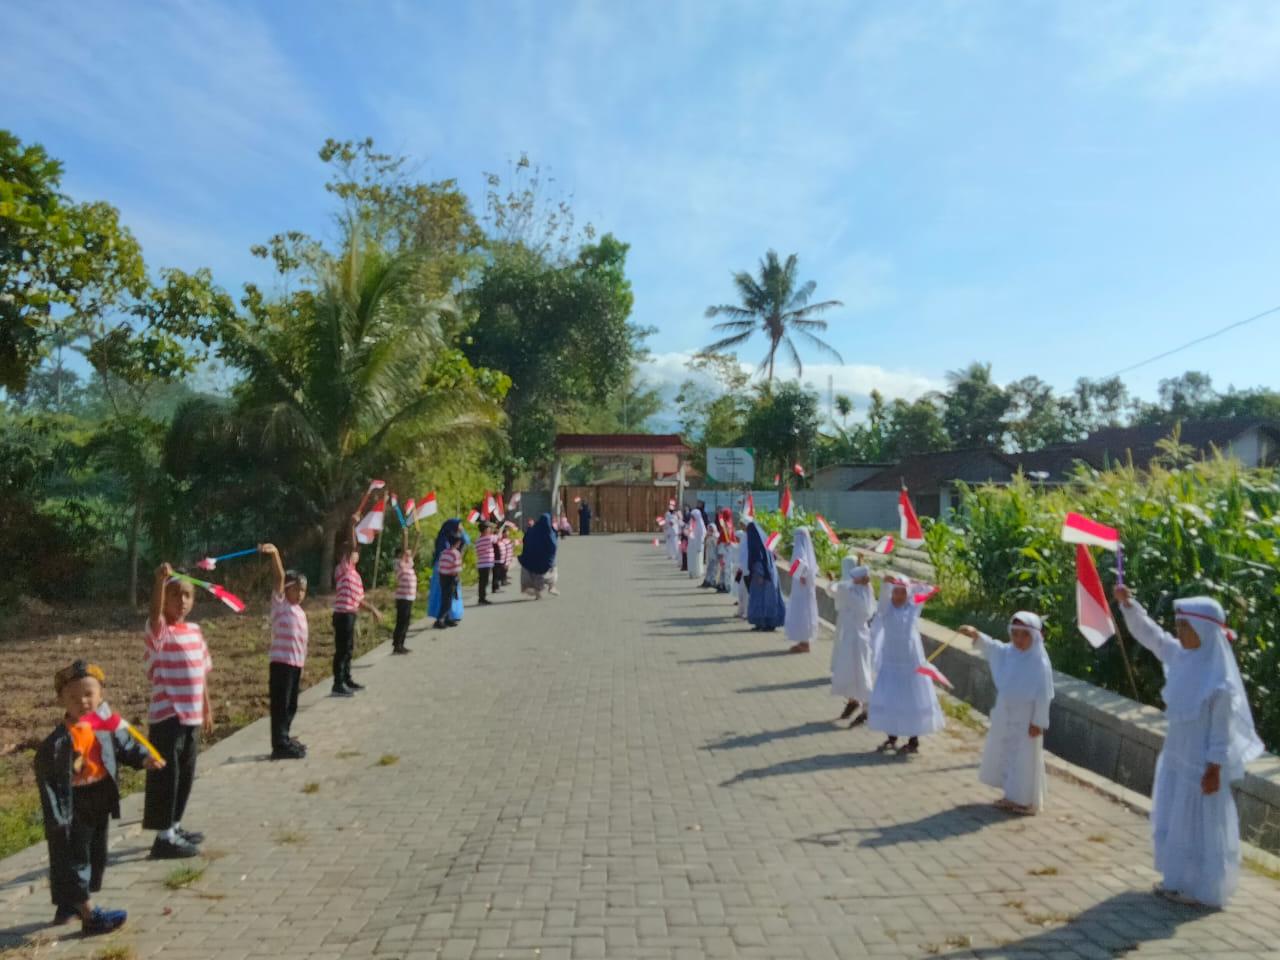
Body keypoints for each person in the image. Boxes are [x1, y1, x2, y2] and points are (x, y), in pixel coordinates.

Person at [1114, 587, 1265, 908]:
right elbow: (1151, 635)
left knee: (1198, 825)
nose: (1179, 632)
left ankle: (1200, 887)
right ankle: (1177, 879)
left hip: (1200, 766)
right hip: (1176, 757)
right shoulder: (1180, 656)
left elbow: (1221, 734)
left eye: (1185, 626)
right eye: (1179, 626)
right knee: (1176, 819)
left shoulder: (1219, 683)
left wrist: (1214, 768)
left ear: (1204, 630)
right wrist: (1129, 606)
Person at [35, 661, 164, 934]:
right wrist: (57, 817)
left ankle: (68, 906)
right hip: (74, 802)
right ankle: (89, 915)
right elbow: (49, 783)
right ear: (61, 700)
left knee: (95, 853)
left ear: (100, 694)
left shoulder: (104, 727)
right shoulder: (58, 742)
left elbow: (125, 746)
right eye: (73, 697)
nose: (82, 701)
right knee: (74, 855)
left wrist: (144, 759)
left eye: (88, 694)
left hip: (100, 796)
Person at [143, 563, 212, 858]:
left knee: (185, 774)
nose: (181, 601)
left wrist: (206, 707)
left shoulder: (194, 631)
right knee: (166, 777)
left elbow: (201, 672)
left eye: (187, 595)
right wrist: (160, 582)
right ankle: (163, 839)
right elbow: (153, 614)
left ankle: (174, 825)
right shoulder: (160, 631)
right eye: (174, 595)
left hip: (192, 716)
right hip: (168, 716)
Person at [958, 613, 1054, 814]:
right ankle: (1012, 795)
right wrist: (976, 635)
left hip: (1026, 718)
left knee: (1024, 757)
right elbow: (993, 647)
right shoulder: (1009, 652)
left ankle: (1024, 800)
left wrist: (1038, 721)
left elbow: (1044, 695)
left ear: (1034, 636)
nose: (1019, 639)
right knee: (1008, 754)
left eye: (1024, 635)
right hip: (1006, 714)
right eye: (1015, 634)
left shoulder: (1039, 663)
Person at [866, 578, 944, 755]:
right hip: (891, 662)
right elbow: (884, 596)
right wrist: (887, 583)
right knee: (891, 698)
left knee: (911, 699)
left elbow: (927, 590)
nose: (899, 596)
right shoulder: (886, 610)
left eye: (903, 592)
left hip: (910, 663)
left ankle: (913, 740)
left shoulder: (913, 608)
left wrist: (915, 582)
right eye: (896, 592)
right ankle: (892, 735)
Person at [261, 543, 309, 757]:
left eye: (303, 590)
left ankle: (285, 737)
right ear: (286, 589)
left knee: (291, 705)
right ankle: (278, 745)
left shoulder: (299, 612)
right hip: (281, 664)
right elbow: (279, 577)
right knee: (281, 705)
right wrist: (275, 554)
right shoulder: (280, 605)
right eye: (295, 589)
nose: (299, 594)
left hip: (296, 664)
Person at [332, 517, 383, 696]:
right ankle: (338, 683)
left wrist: (373, 610)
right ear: (345, 556)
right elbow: (352, 545)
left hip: (351, 614)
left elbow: (359, 600)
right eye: (353, 552)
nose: (357, 553)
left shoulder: (355, 576)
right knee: (342, 650)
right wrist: (352, 525)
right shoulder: (343, 569)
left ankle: (347, 678)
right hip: (342, 615)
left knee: (348, 649)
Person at [826, 557, 875, 725]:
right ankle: (853, 701)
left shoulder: (853, 593)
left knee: (861, 673)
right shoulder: (860, 590)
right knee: (851, 671)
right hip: (854, 636)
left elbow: (835, 589)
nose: (852, 579)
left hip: (857, 638)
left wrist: (833, 581)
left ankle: (867, 708)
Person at [745, 521, 786, 631]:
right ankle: (761, 623)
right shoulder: (763, 541)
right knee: (764, 599)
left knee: (764, 599)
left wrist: (759, 574)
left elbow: (758, 559)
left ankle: (768, 624)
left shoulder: (756, 545)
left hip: (762, 575)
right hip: (768, 573)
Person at [785, 527, 819, 653]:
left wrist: (801, 575)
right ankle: (804, 641)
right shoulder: (806, 549)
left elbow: (801, 563)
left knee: (801, 611)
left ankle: (804, 643)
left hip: (801, 586)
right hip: (804, 586)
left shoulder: (799, 548)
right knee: (805, 611)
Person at [428, 519, 467, 626]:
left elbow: (466, 541)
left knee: (450, 596)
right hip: (445, 572)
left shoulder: (453, 538)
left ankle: (449, 616)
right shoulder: (444, 540)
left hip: (446, 571)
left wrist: (462, 532)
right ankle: (441, 618)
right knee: (445, 596)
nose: (461, 527)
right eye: (459, 525)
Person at [519, 512, 559, 598]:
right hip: (544, 562)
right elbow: (553, 546)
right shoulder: (549, 532)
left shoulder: (531, 531)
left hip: (530, 560)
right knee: (552, 568)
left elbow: (525, 541)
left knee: (528, 571)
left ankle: (531, 589)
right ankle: (551, 586)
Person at [392, 531, 417, 653]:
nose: (409, 555)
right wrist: (405, 535)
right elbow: (404, 549)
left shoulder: (409, 565)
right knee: (401, 621)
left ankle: (401, 643)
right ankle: (397, 644)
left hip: (409, 598)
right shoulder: (400, 564)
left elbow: (414, 552)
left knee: (406, 622)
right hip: (403, 598)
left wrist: (417, 536)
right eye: (407, 554)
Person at [434, 533, 464, 628]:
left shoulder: (444, 552)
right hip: (451, 577)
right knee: (448, 600)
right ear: (457, 542)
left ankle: (447, 618)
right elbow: (456, 569)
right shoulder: (456, 553)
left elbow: (440, 565)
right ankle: (440, 619)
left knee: (445, 598)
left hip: (442, 577)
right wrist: (457, 578)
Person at [474, 520, 497, 605]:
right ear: (485, 529)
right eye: (489, 528)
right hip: (486, 563)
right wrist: (495, 530)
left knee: (482, 581)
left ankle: (481, 597)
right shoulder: (489, 538)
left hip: (480, 563)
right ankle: (482, 598)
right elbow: (497, 538)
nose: (490, 529)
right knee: (485, 582)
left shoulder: (478, 540)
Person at [735, 522, 751, 619]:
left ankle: (747, 612)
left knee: (747, 592)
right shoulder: (744, 536)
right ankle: (740, 610)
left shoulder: (751, 537)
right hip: (741, 568)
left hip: (748, 569)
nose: (741, 526)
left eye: (743, 524)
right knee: (741, 591)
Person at [700, 516, 720, 588]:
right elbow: (705, 544)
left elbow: (717, 545)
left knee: (714, 569)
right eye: (709, 528)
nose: (710, 530)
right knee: (709, 568)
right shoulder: (708, 536)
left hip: (715, 555)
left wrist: (711, 537)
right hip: (709, 555)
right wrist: (707, 537)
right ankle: (707, 581)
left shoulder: (716, 536)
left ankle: (712, 581)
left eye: (712, 529)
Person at [688, 507, 707, 581]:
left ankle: (697, 573)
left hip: (698, 544)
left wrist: (700, 543)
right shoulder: (691, 522)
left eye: (693, 516)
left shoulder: (700, 524)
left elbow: (703, 534)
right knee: (691, 559)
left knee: (697, 559)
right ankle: (692, 572)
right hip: (691, 544)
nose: (692, 517)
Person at [493, 524, 512, 592]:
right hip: (500, 559)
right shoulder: (500, 540)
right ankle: (500, 583)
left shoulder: (506, 540)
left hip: (505, 558)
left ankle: (503, 580)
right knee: (500, 572)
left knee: (503, 570)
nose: (508, 533)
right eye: (506, 532)